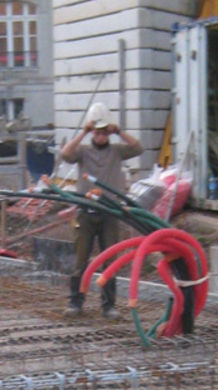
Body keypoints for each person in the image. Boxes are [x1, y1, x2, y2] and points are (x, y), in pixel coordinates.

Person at [59, 102, 143, 319]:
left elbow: (138, 148)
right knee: (81, 260)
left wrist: (120, 132)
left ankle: (108, 306)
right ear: (92, 133)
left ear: (109, 132)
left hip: (109, 213)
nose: (101, 136)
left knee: (110, 260)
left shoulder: (117, 151)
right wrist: (83, 132)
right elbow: (65, 154)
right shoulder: (84, 151)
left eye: (104, 132)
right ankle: (75, 302)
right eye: (97, 132)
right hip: (86, 213)